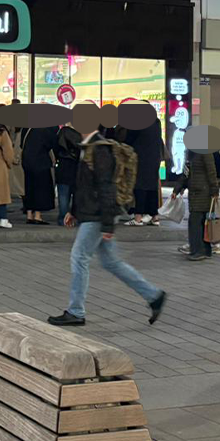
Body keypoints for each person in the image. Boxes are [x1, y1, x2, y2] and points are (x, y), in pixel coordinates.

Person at [48, 104, 166, 327]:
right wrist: (74, 212)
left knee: (79, 257)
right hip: (94, 214)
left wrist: (107, 225)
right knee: (112, 263)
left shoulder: (100, 149)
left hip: (98, 215)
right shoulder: (88, 146)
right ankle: (154, 296)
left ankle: (76, 311)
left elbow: (106, 187)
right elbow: (84, 185)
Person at [174, 147, 219, 261]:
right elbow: (186, 173)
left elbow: (211, 171)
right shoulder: (190, 153)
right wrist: (178, 188)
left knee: (197, 222)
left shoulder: (204, 151)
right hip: (195, 192)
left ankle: (198, 251)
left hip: (204, 192)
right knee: (201, 222)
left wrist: (214, 190)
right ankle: (204, 250)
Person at [126, 108, 168, 225]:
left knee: (139, 187)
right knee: (152, 188)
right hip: (154, 159)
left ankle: (138, 217)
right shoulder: (156, 122)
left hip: (140, 159)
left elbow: (128, 140)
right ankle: (154, 216)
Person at [21, 125, 59, 224]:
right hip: (41, 161)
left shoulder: (27, 126)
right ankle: (37, 216)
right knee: (41, 188)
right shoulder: (46, 128)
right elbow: (51, 143)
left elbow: (22, 143)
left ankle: (29, 214)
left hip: (27, 160)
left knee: (29, 187)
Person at [54, 123, 82, 223]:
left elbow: (56, 148)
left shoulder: (62, 132)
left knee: (63, 194)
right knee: (76, 194)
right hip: (76, 166)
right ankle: (75, 217)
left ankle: (63, 218)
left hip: (63, 164)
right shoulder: (80, 135)